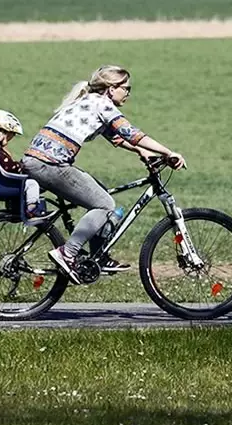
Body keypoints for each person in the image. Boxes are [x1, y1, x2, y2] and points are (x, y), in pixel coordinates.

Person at [20, 65, 186, 283]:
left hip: (37, 162)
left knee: (100, 193)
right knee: (104, 204)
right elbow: (131, 133)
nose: (128, 93)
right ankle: (67, 253)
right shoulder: (102, 104)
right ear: (110, 88)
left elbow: (117, 137)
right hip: (49, 165)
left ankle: (99, 256)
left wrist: (142, 151)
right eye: (125, 88)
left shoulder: (88, 101)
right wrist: (168, 152)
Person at [0, 109, 49, 226]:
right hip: (5, 183)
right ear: (0, 134)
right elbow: (9, 167)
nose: (10, 138)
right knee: (32, 184)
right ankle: (32, 209)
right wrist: (22, 167)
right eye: (10, 135)